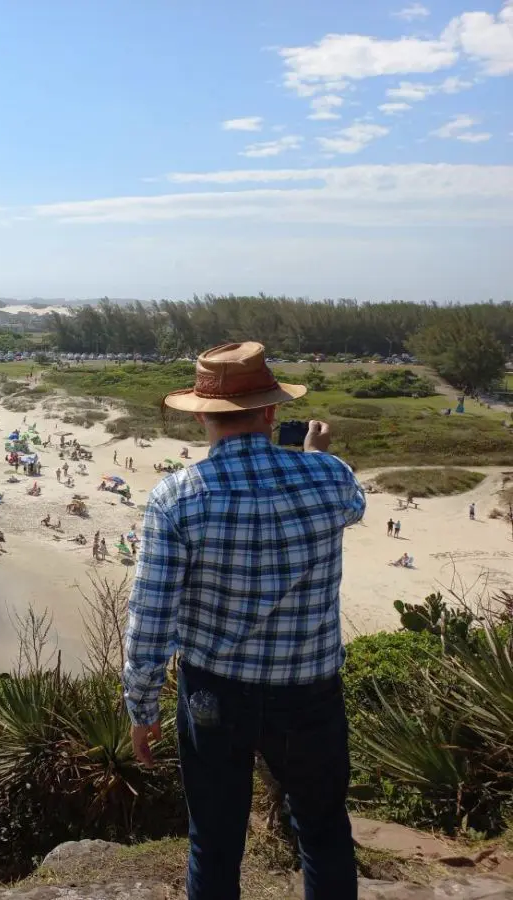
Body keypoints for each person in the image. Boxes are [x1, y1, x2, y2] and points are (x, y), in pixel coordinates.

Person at [123, 342, 364, 900]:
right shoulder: (328, 478)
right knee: (324, 831)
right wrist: (316, 454)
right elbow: (354, 504)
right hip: (310, 689)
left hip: (214, 693)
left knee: (214, 839)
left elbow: (152, 614)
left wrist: (142, 706)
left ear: (203, 414)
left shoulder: (177, 497)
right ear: (273, 411)